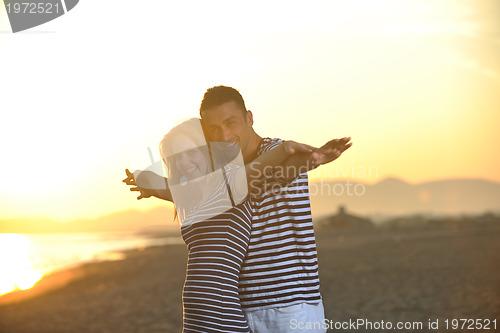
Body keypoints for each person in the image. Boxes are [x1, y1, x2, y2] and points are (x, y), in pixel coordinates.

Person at [123, 117, 349, 332]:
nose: (183, 162)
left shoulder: (234, 181)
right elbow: (159, 185)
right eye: (175, 158)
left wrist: (302, 154)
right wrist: (140, 178)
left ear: (209, 150)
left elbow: (276, 170)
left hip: (221, 312)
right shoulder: (191, 193)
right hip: (195, 314)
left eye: (191, 152)